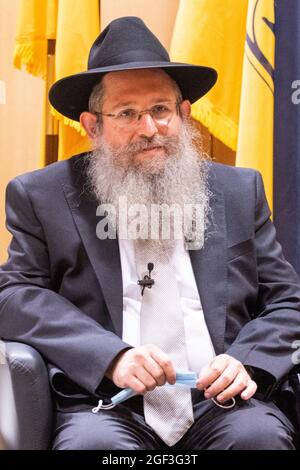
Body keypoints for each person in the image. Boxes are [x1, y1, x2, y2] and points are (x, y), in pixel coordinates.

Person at [0, 16, 299, 450]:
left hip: (224, 401)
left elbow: (288, 300)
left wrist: (246, 361)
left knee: (261, 440)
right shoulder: (42, 195)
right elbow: (13, 295)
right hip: (108, 403)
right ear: (92, 125)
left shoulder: (238, 190)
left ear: (183, 113)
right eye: (127, 113)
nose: (150, 128)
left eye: (161, 109)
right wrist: (110, 357)